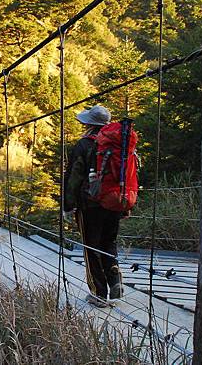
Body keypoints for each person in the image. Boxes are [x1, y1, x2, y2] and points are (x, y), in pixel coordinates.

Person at [64, 105, 123, 308]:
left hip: (90, 205)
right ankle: (116, 281)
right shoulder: (118, 145)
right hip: (115, 203)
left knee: (91, 247)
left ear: (89, 124)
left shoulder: (84, 144)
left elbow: (74, 177)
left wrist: (68, 205)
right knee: (109, 242)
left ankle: (99, 293)